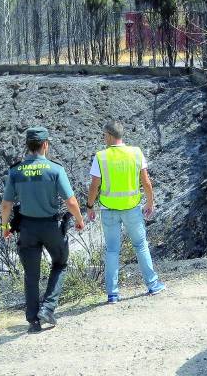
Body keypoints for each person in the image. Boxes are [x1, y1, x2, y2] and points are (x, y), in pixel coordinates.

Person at [1, 126, 85, 333]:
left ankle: (33, 322)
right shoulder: (55, 169)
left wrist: (5, 226)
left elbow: (6, 205)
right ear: (46, 144)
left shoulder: (15, 171)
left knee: (31, 275)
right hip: (50, 226)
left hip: (27, 228)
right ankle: (47, 308)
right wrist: (79, 220)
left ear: (28, 146)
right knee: (60, 264)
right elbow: (71, 202)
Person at [86, 120, 165, 304]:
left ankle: (113, 294)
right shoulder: (136, 153)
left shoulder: (101, 156)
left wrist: (89, 206)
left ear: (110, 136)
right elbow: (146, 182)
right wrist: (150, 202)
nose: (103, 138)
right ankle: (153, 285)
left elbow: (94, 186)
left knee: (112, 250)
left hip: (109, 209)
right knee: (141, 245)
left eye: (104, 135)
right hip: (132, 208)